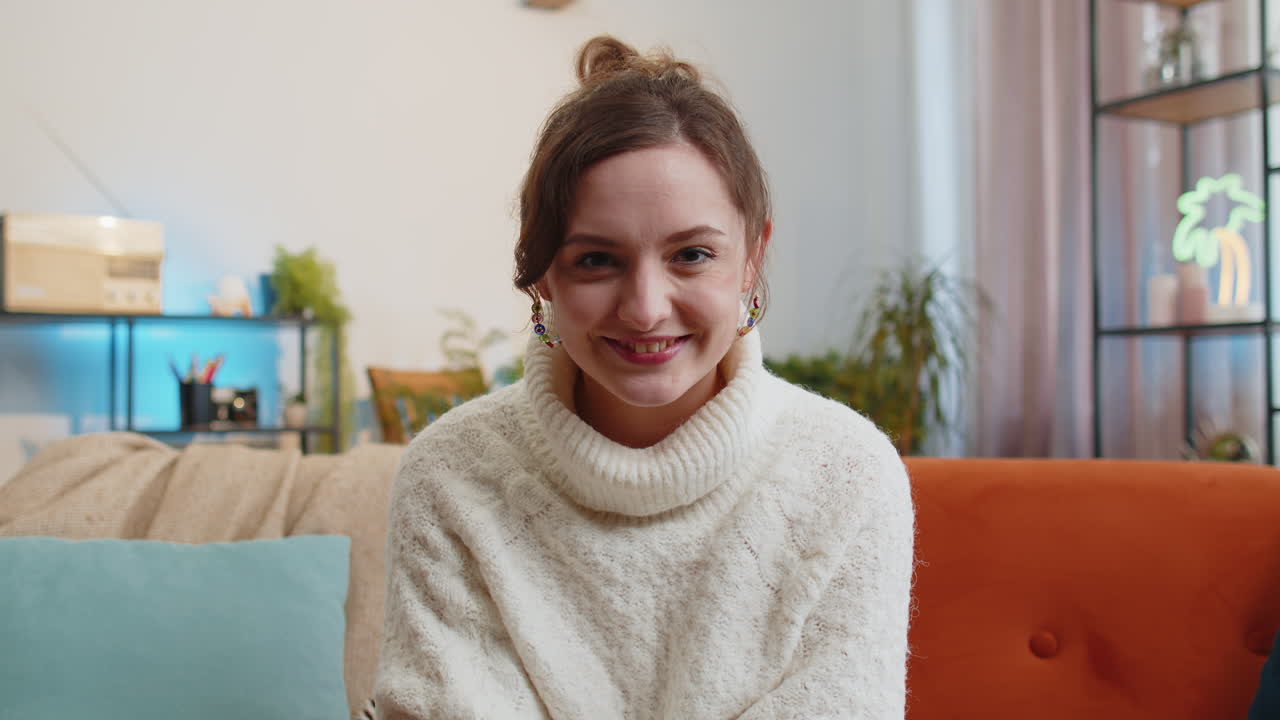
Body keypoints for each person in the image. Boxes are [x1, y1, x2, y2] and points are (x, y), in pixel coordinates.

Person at [373, 35, 916, 720]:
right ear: (541, 274)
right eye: (597, 260)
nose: (646, 308)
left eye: (691, 254)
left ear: (751, 260)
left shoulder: (846, 474)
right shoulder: (449, 476)